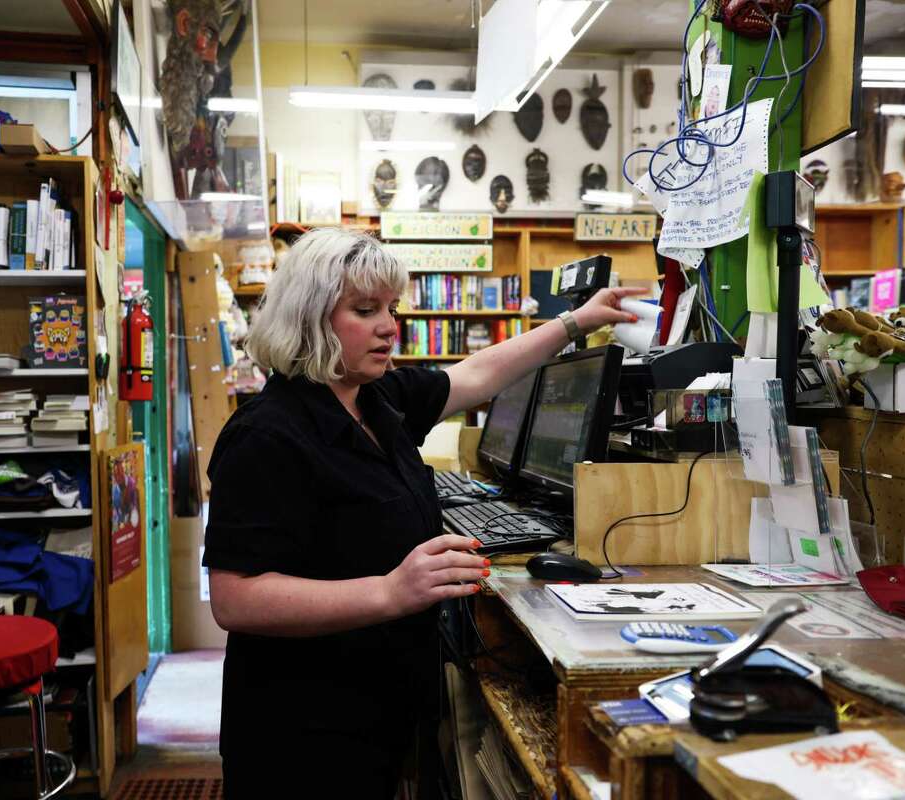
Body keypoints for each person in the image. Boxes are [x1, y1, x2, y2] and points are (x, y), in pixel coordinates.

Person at [203, 228, 644, 798]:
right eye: (365, 310)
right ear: (308, 318)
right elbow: (236, 599)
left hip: (377, 710)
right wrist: (390, 591)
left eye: (392, 308)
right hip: (304, 730)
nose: (389, 325)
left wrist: (575, 323)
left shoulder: (375, 399)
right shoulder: (266, 435)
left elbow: (479, 374)